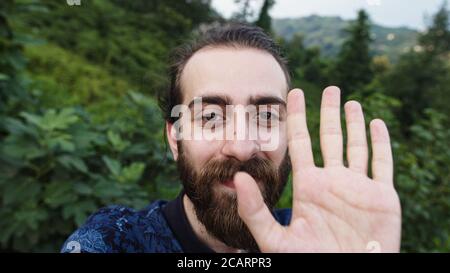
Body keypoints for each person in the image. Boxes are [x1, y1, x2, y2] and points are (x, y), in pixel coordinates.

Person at [61, 23, 401, 253]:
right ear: (174, 139)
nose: (241, 148)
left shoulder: (319, 238)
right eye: (211, 117)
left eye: (266, 116)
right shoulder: (114, 241)